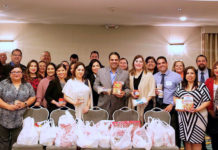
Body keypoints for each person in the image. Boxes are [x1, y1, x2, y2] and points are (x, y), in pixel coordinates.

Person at [174, 66, 211, 150]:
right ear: (185, 75)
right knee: (187, 141)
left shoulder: (201, 86)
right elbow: (175, 97)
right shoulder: (180, 85)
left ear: (195, 75)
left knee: (196, 141)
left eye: (192, 73)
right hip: (183, 118)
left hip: (198, 117)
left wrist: (197, 109)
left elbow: (207, 101)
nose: (189, 75)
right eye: (187, 73)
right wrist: (179, 105)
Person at [0, 66, 36, 150]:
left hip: (21, 118)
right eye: (14, 72)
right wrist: (8, 106)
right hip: (3, 117)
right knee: (3, 141)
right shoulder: (3, 84)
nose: (16, 74)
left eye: (19, 72)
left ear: (22, 74)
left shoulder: (27, 84)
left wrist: (24, 104)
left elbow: (33, 97)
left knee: (17, 142)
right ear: (10, 74)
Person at [154, 56, 182, 147]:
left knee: (173, 130)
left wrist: (172, 104)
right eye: (159, 63)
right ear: (157, 65)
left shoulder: (176, 76)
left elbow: (181, 93)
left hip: (171, 107)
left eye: (163, 63)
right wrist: (154, 91)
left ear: (167, 64)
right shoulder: (154, 76)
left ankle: (175, 147)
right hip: (158, 106)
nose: (161, 65)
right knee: (161, 131)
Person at [94, 52, 130, 119]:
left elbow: (128, 89)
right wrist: (101, 90)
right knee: (103, 127)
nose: (114, 61)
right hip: (103, 105)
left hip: (118, 106)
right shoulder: (101, 71)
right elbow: (95, 85)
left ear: (119, 61)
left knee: (117, 128)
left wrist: (124, 93)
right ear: (109, 60)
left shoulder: (125, 73)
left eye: (116, 60)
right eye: (112, 60)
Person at [128, 55, 155, 123]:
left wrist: (145, 101)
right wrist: (131, 93)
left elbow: (152, 90)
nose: (138, 63)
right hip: (133, 103)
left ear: (143, 64)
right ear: (133, 63)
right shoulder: (130, 74)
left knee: (145, 124)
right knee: (134, 123)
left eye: (140, 61)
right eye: (136, 61)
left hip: (146, 104)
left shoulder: (149, 75)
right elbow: (127, 88)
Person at [205, 61, 218, 150]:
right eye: (215, 68)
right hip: (211, 111)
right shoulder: (209, 80)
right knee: (214, 135)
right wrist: (210, 110)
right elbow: (206, 97)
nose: (217, 70)